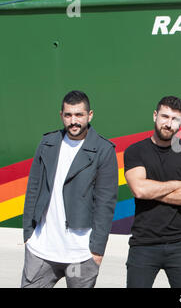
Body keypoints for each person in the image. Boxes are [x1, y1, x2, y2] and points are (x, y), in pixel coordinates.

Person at [21, 90, 118, 288]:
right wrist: (28, 236)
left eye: (79, 115)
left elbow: (105, 203)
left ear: (90, 115)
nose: (73, 121)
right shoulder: (47, 143)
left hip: (81, 253)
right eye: (68, 115)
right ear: (61, 116)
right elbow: (33, 188)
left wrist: (97, 251)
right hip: (41, 249)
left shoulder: (103, 150)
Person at [124, 96, 181, 288]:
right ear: (155, 116)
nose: (168, 124)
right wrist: (178, 184)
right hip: (143, 243)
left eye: (175, 119)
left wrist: (154, 189)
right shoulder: (135, 151)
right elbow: (140, 189)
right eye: (165, 116)